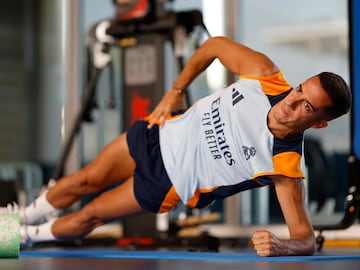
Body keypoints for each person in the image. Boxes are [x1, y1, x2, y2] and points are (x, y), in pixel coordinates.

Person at [2, 36, 351, 256]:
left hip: (168, 183)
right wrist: (175, 90)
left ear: (319, 122)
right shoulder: (264, 75)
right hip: (159, 134)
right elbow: (213, 46)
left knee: (90, 214)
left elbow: (304, 237)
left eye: (307, 106)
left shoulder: (285, 165)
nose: (293, 100)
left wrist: (282, 245)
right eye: (300, 90)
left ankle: (23, 236)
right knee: (83, 181)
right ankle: (14, 221)